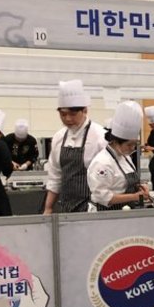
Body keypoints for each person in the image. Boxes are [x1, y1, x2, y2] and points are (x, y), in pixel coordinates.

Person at [44, 80, 108, 214]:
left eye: (72, 114)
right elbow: (55, 176)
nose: (67, 119)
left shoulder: (100, 136)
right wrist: (48, 208)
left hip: (94, 208)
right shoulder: (58, 137)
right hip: (67, 207)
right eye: (63, 114)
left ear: (85, 111)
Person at [87, 101, 148, 211]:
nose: (133, 148)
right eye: (129, 144)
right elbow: (103, 197)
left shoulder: (125, 157)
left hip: (126, 211)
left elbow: (124, 185)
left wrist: (139, 188)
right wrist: (135, 196)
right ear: (115, 142)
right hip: (108, 214)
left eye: (135, 144)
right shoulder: (102, 163)